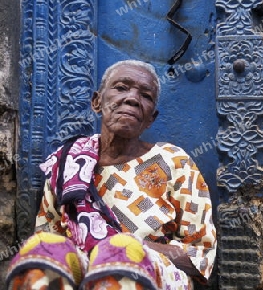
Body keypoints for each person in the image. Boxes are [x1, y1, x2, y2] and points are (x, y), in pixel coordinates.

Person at [6, 60, 217, 289]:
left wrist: (127, 247)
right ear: (97, 102)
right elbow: (50, 238)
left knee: (121, 262)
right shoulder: (68, 163)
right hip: (85, 269)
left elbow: (201, 257)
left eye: (145, 96)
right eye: (121, 87)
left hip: (154, 273)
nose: (133, 98)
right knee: (41, 255)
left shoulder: (174, 161)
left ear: (150, 119)